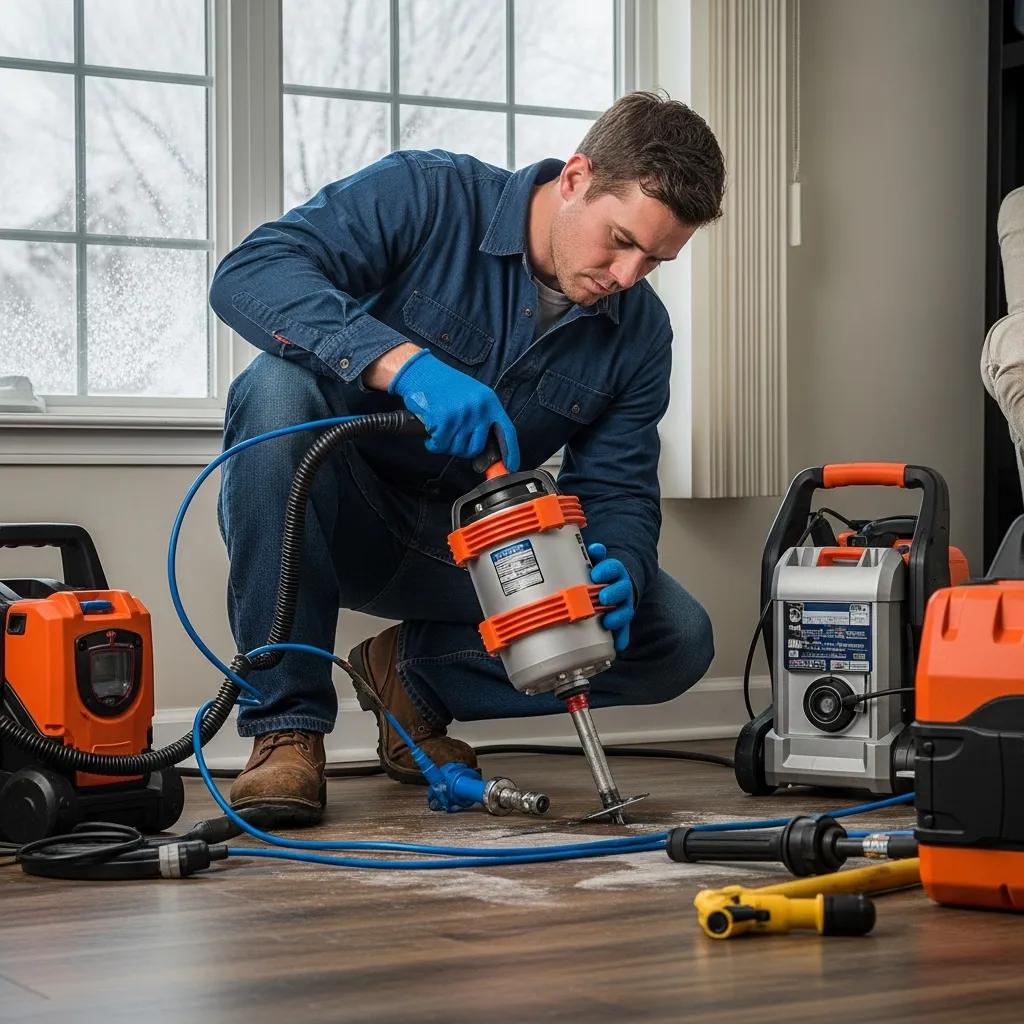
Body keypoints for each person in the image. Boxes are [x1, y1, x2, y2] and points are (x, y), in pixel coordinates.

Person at [209, 91, 725, 824]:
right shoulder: (428, 195)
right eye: (620, 240)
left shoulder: (640, 332)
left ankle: (409, 679)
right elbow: (251, 273)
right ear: (576, 178)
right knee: (274, 388)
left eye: (655, 260)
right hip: (333, 517)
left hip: (478, 558)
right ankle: (286, 730)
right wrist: (403, 365)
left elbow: (617, 489)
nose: (626, 276)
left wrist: (624, 571)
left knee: (675, 635)